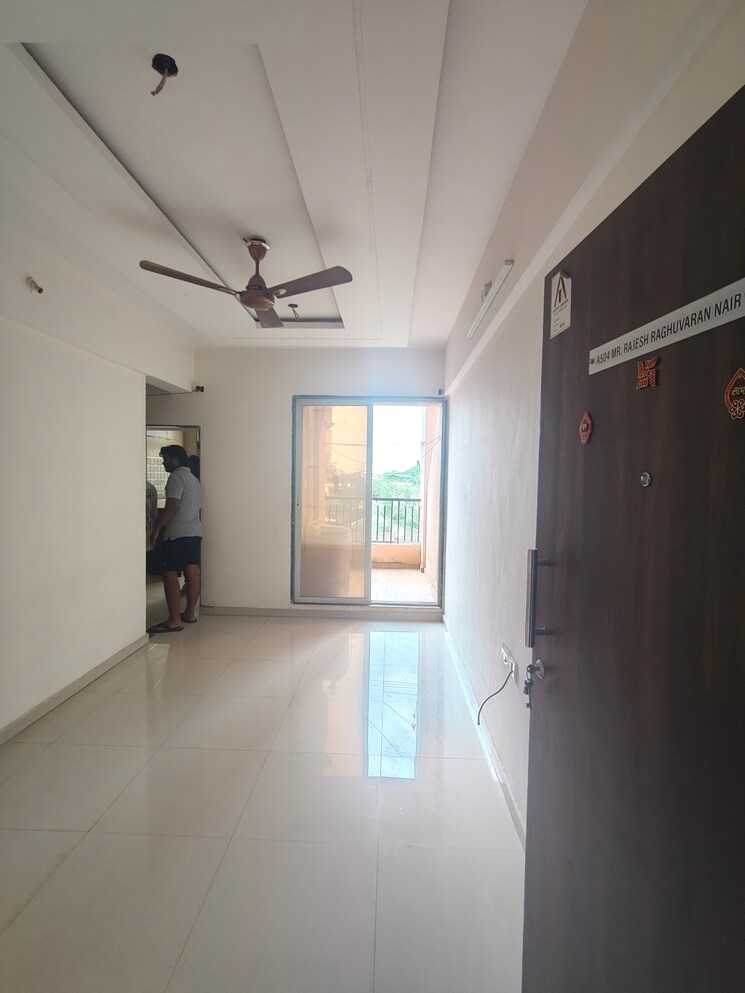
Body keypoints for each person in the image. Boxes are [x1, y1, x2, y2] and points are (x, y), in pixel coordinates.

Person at [147, 445, 202, 633]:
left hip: (178, 534)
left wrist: (157, 528)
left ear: (175, 460)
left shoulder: (176, 477)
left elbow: (172, 505)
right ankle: (189, 614)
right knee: (192, 572)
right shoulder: (194, 479)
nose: (163, 463)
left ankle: (174, 620)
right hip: (195, 532)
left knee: (170, 574)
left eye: (165, 459)